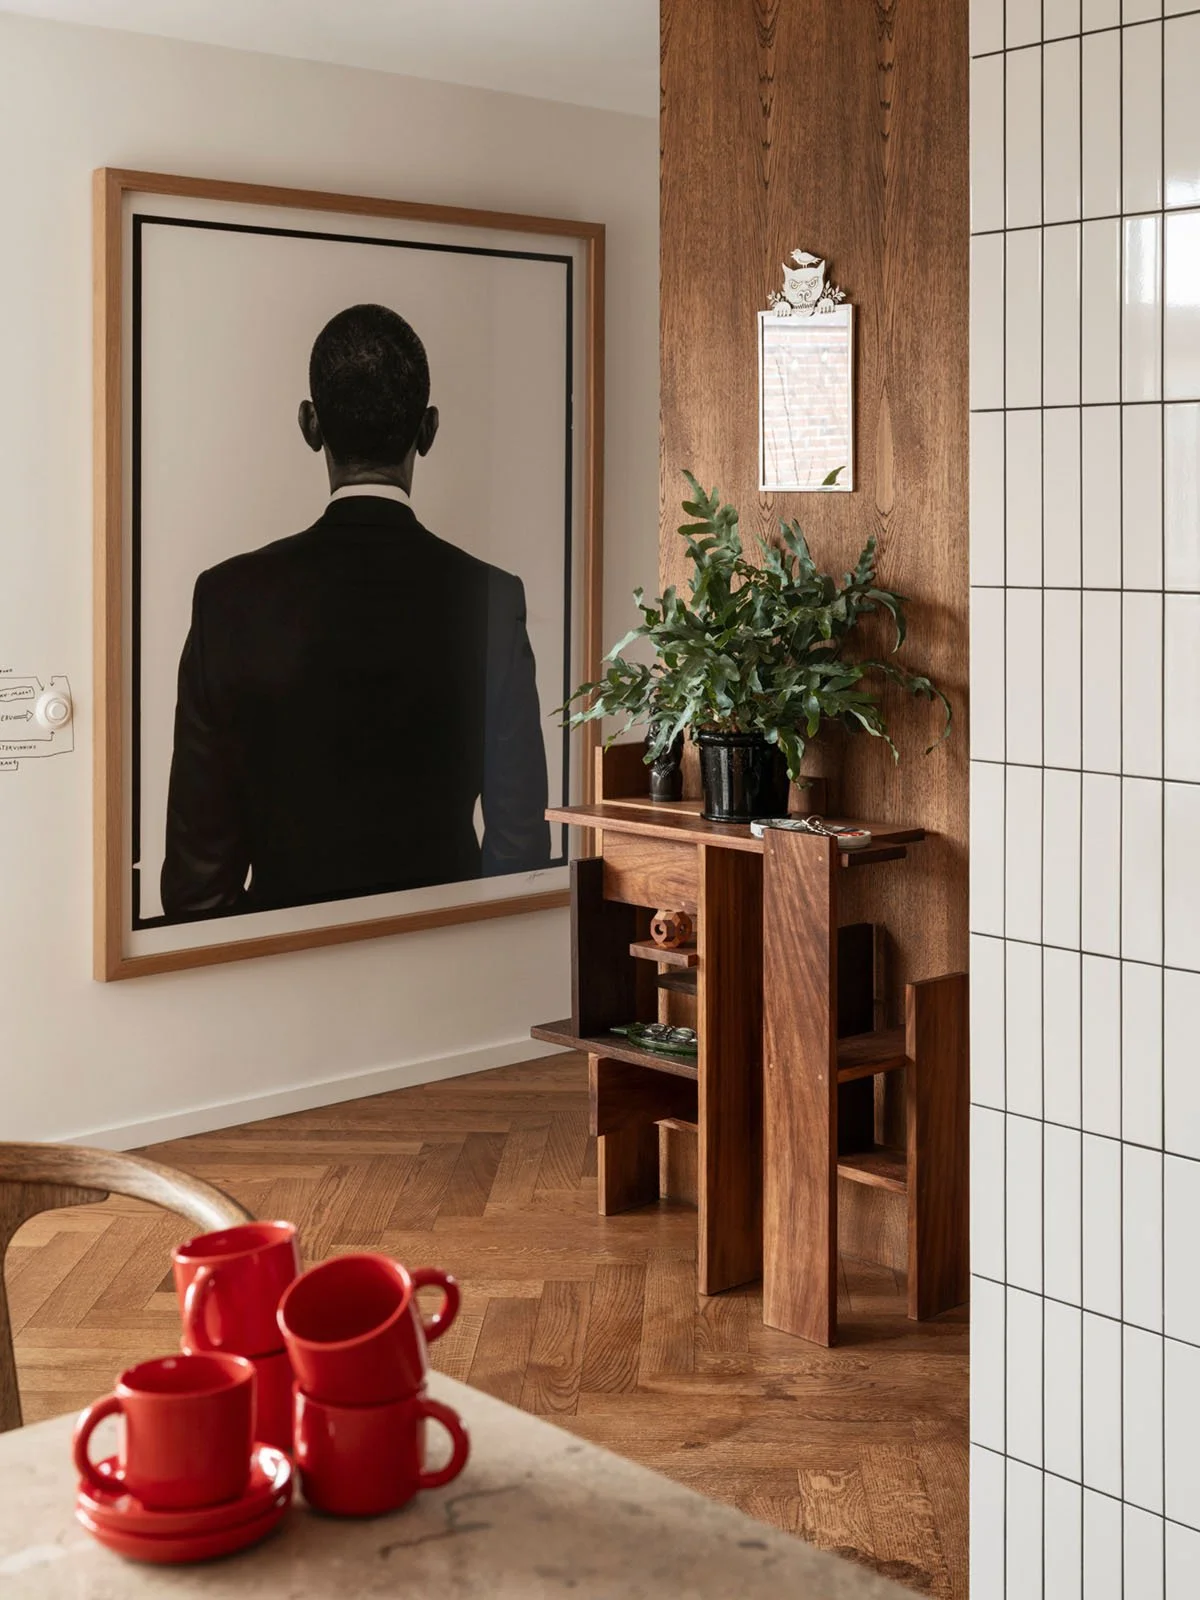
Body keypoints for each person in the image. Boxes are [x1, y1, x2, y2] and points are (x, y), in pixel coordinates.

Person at [160, 302, 551, 920]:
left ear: (310, 424)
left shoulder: (228, 598)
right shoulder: (494, 598)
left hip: (280, 958)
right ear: (428, 430)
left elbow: (196, 882)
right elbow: (520, 846)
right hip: (450, 953)